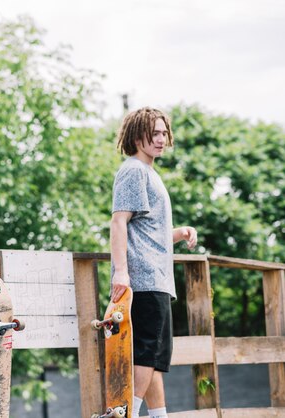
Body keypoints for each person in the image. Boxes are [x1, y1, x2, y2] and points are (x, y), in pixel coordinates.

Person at [109, 107, 198, 418]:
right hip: (143, 279)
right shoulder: (133, 170)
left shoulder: (149, 173)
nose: (161, 139)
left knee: (155, 359)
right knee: (146, 356)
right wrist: (122, 272)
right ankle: (126, 414)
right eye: (155, 133)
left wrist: (179, 232)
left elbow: (148, 230)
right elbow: (119, 222)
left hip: (157, 278)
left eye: (163, 133)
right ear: (137, 136)